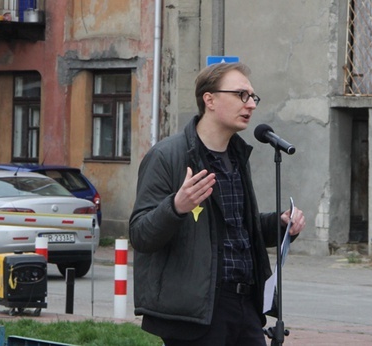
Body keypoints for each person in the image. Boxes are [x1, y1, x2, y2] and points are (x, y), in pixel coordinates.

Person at [129, 62, 306, 346]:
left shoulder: (237, 156)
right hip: (198, 313)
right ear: (209, 100)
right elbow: (140, 235)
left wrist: (282, 223)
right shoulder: (167, 156)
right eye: (240, 95)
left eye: (252, 97)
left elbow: (238, 228)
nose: (250, 105)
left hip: (245, 306)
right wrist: (176, 206)